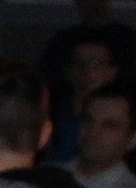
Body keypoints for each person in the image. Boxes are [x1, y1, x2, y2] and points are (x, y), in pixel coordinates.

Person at [39, 0, 136, 88]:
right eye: (86, 0)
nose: (93, 6)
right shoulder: (63, 40)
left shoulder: (126, 38)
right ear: (77, 2)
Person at [68, 83, 136, 188]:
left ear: (133, 139)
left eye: (109, 126)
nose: (93, 132)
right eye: (88, 120)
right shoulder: (48, 177)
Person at [39, 39, 123, 169]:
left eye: (95, 64)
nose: (85, 70)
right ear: (67, 70)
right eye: (77, 62)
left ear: (111, 72)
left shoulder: (121, 116)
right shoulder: (49, 111)